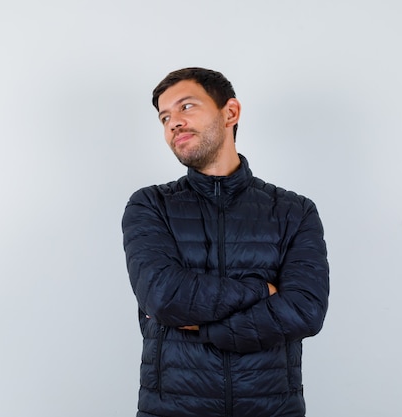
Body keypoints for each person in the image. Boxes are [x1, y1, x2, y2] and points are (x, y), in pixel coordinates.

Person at [122, 67, 330, 417]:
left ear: (230, 112)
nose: (173, 123)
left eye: (186, 106)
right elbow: (163, 296)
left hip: (272, 409)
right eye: (164, 117)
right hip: (171, 409)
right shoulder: (150, 204)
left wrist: (205, 327)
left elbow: (305, 310)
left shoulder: (294, 210)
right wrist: (263, 292)